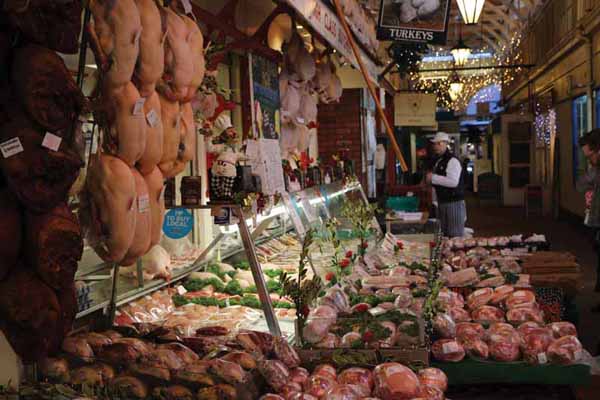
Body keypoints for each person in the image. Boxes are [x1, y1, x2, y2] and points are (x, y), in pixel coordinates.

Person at [425, 132, 466, 237]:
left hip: (454, 203)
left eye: (439, 143)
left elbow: (453, 182)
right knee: (445, 235)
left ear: (445, 143)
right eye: (435, 144)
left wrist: (432, 178)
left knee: (454, 236)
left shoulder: (452, 160)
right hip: (443, 202)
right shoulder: (439, 160)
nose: (436, 146)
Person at [576, 129, 600, 305]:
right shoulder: (596, 170)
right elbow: (580, 185)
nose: (590, 161)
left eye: (590, 157)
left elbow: (581, 184)